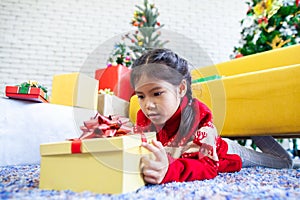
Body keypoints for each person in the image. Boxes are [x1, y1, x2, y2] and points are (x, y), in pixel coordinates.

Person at [130, 48, 293, 185]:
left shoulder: (198, 114)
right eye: (141, 96)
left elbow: (208, 167)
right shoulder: (143, 117)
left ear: (180, 89)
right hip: (199, 149)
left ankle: (256, 131)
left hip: (227, 153)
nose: (148, 105)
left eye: (157, 93)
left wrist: (169, 170)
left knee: (283, 162)